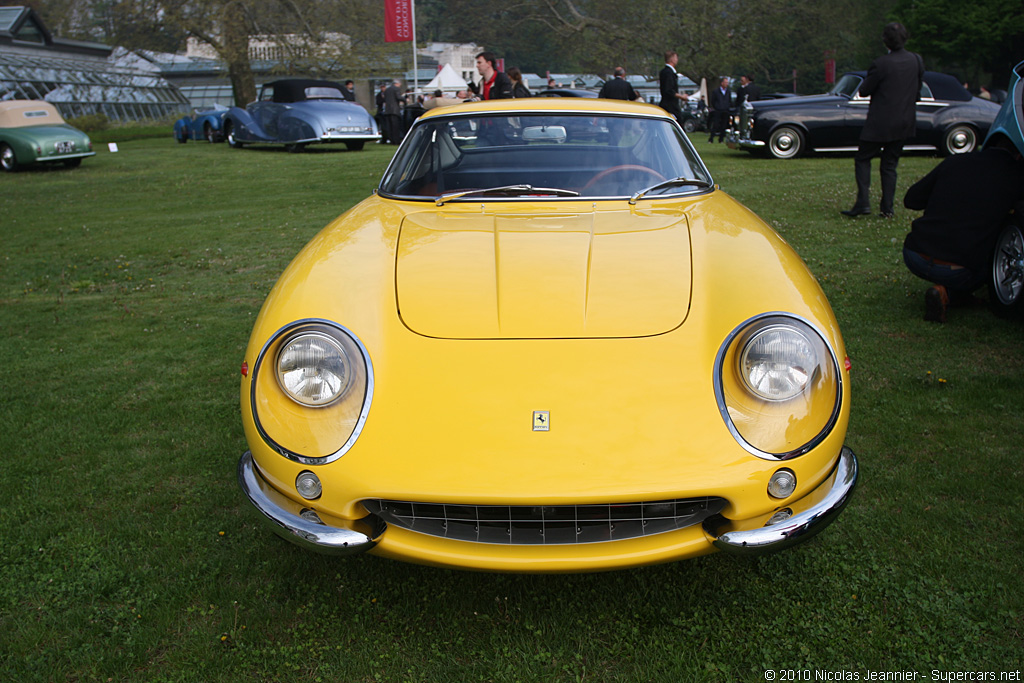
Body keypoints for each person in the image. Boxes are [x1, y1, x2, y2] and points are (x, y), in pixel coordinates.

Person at [901, 139, 1024, 322]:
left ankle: (946, 291)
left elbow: (911, 199)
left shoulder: (955, 161)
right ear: (1019, 155)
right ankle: (947, 293)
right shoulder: (1015, 176)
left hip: (914, 255)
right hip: (956, 267)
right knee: (993, 261)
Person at [841, 22, 923, 219]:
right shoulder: (916, 60)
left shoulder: (881, 64)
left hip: (880, 122)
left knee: (863, 158)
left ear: (885, 40)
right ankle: (887, 208)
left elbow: (864, 90)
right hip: (904, 121)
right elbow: (917, 90)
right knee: (889, 164)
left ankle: (863, 202)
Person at [658, 51, 688, 125]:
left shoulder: (664, 72)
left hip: (667, 104)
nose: (677, 60)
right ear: (672, 59)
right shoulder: (669, 73)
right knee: (679, 125)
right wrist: (681, 96)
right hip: (670, 105)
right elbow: (669, 90)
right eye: (676, 57)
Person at [708, 77, 731, 142]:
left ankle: (721, 139)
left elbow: (729, 100)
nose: (727, 84)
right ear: (722, 83)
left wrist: (727, 106)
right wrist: (716, 107)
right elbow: (713, 100)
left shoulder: (728, 91)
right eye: (725, 82)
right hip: (718, 110)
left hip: (725, 110)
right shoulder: (716, 91)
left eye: (727, 83)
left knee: (724, 125)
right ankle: (711, 138)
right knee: (716, 124)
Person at [382, 78, 404, 145]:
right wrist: (404, 99)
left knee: (390, 127)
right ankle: (396, 141)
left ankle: (391, 140)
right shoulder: (396, 89)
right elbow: (398, 97)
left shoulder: (387, 90)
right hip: (394, 110)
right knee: (395, 127)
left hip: (387, 110)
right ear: (397, 83)